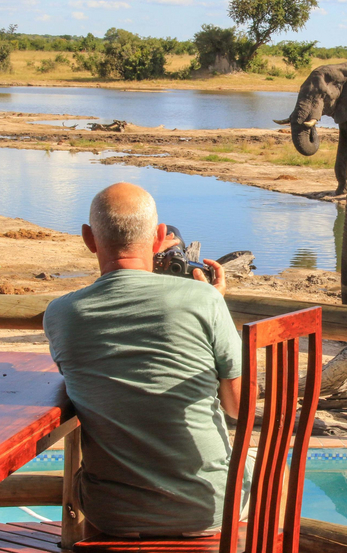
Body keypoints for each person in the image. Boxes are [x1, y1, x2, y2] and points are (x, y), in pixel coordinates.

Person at [43, 182, 243, 537]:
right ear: (159, 237)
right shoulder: (203, 299)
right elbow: (236, 407)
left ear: (89, 239)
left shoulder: (60, 314)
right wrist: (213, 302)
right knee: (278, 471)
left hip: (112, 517)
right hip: (208, 510)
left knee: (81, 479)